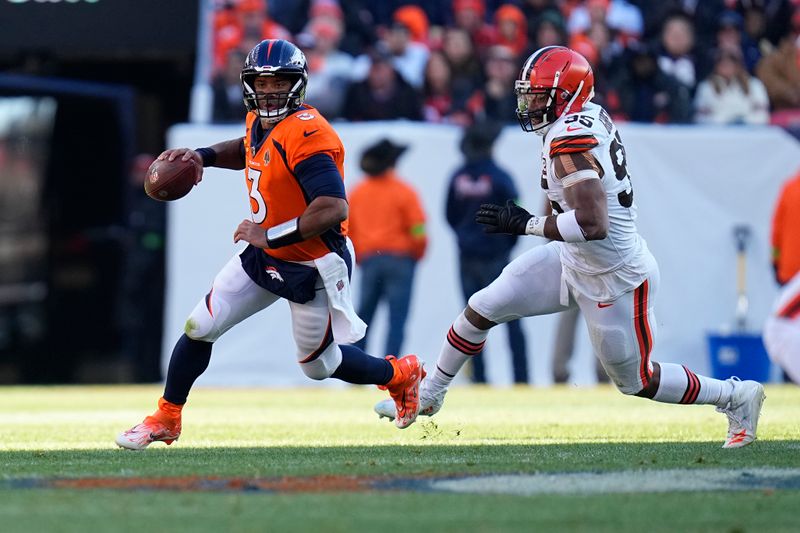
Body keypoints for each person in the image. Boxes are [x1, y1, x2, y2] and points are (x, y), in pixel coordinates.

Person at [376, 46, 765, 448]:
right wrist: (539, 224)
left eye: (539, 94)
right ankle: (432, 392)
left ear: (566, 95)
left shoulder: (570, 138)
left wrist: (526, 224)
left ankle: (736, 396)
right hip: (571, 260)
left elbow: (594, 224)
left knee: (638, 381)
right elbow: (567, 202)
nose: (529, 103)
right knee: (481, 307)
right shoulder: (579, 119)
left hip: (616, 277)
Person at [115, 39, 425, 450]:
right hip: (265, 256)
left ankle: (400, 375)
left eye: (280, 82)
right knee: (200, 325)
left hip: (312, 263)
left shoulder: (309, 133)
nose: (269, 91)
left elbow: (332, 207)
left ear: (298, 84)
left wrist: (268, 233)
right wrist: (201, 156)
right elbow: (247, 149)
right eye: (261, 83)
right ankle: (166, 417)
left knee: (320, 365)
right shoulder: (258, 121)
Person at [444, 121, 528, 384]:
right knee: (512, 318)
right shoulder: (501, 177)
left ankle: (480, 379)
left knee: (472, 322)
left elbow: (449, 215)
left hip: (468, 257)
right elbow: (518, 214)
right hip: (497, 258)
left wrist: (464, 239)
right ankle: (521, 379)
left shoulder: (458, 177)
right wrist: (505, 245)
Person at [348, 138, 427, 358]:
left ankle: (358, 365)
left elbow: (347, 231)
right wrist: (416, 253)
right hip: (401, 260)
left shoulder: (358, 192)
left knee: (363, 317)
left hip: (371, 260)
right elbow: (418, 229)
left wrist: (361, 257)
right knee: (397, 318)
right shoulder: (404, 191)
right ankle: (392, 371)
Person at [764, 169, 800, 384]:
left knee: (784, 327)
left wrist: (776, 264)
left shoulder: (790, 187)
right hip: (792, 274)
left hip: (789, 271)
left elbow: (776, 231)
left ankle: (790, 378)